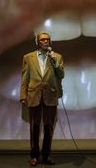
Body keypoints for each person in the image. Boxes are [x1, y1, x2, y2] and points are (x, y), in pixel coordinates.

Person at [19, 31, 64, 166]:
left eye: (47, 39)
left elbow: (61, 74)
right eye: (42, 39)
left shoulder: (57, 57)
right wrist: (23, 95)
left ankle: (46, 155)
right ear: (37, 42)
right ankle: (34, 156)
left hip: (50, 95)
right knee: (34, 127)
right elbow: (24, 78)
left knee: (49, 127)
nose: (45, 41)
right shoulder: (28, 57)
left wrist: (54, 61)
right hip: (34, 95)